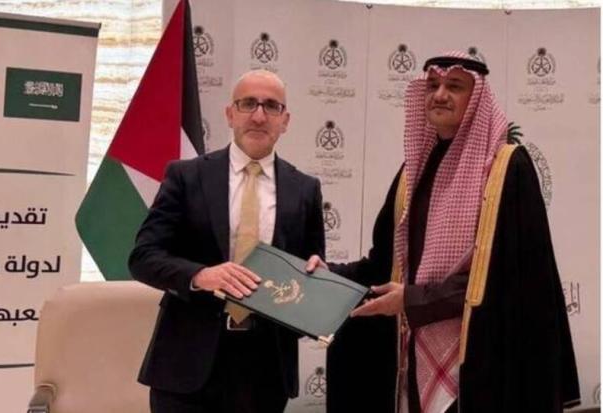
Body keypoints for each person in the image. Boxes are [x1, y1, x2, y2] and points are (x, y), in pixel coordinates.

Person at [307, 51, 580, 413]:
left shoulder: (507, 168)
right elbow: (385, 263)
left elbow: (508, 278)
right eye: (433, 85)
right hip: (414, 350)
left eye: (454, 86)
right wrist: (331, 275)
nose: (439, 95)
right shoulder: (413, 172)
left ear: (477, 97)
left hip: (483, 355)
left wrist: (413, 300)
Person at [129, 69, 325, 413]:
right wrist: (200, 275)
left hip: (266, 368)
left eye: (271, 106)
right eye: (248, 103)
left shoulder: (306, 189)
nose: (259, 116)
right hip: (186, 363)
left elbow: (311, 268)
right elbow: (143, 257)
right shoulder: (186, 176)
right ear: (230, 114)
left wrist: (316, 278)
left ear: (285, 121)